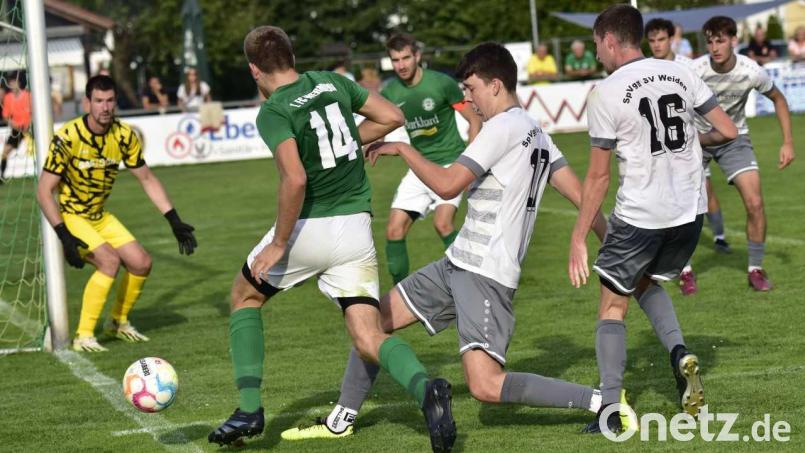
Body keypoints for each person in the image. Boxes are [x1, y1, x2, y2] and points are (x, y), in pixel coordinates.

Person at [279, 41, 629, 444]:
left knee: (485, 385)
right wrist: (608, 240)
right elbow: (581, 193)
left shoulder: (501, 128)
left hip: (486, 273)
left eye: (471, 88)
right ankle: (342, 418)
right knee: (371, 324)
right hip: (457, 262)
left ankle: (602, 402)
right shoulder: (537, 131)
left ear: (495, 85)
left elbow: (447, 185)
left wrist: (404, 149)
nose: (467, 98)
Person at [207, 26, 456, 452]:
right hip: (356, 229)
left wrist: (280, 242)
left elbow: (295, 177)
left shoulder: (273, 111)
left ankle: (249, 408)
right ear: (292, 56)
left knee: (245, 297)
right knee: (367, 334)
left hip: (311, 227)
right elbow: (392, 118)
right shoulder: (331, 81)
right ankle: (425, 390)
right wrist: (342, 147)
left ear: (254, 70)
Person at [568, 4, 738, 433]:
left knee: (611, 305)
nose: (597, 54)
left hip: (642, 213)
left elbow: (598, 176)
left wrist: (577, 237)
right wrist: (693, 142)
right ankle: (680, 354)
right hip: (689, 210)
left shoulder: (606, 93)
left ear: (609, 40)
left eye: (596, 46)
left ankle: (611, 411)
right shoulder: (680, 72)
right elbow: (729, 131)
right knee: (643, 282)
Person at [36, 75, 198, 352]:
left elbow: (146, 178)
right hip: (72, 215)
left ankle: (118, 322)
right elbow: (44, 191)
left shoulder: (123, 135)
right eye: (98, 101)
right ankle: (83, 335)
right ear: (87, 102)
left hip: (99, 215)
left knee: (141, 262)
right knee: (109, 262)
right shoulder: (68, 137)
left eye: (110, 100)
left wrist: (173, 219)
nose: (105, 107)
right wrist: (63, 235)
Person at [687, 16, 795, 292]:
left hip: (734, 140)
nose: (714, 47)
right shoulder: (693, 70)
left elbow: (779, 99)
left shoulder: (751, 71)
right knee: (686, 208)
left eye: (720, 40)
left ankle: (755, 269)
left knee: (755, 203)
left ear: (734, 41)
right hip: (696, 140)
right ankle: (684, 270)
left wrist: (787, 142)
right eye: (710, 41)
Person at [378, 33, 482, 285]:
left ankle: (474, 281)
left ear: (417, 56)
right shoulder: (390, 91)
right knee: (393, 230)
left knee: (443, 224)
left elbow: (474, 120)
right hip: (418, 168)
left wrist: (470, 165)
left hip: (450, 165)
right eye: (395, 60)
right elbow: (378, 122)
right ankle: (397, 295)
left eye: (405, 58)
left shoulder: (441, 84)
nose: (401, 65)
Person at [644, 17, 732, 296]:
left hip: (692, 145)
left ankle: (718, 237)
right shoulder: (645, 69)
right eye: (652, 40)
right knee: (672, 202)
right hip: (663, 149)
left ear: (673, 39)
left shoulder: (689, 67)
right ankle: (685, 270)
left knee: (702, 195)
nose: (657, 45)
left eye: (661, 39)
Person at [0, 73, 31, 183]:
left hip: (30, 128)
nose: (13, 85)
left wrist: (29, 124)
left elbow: (34, 112)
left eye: (15, 82)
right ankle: (2, 176)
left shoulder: (28, 95)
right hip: (17, 129)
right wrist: (13, 124)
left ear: (19, 83)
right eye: (11, 83)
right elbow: (5, 116)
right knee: (5, 152)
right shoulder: (8, 98)